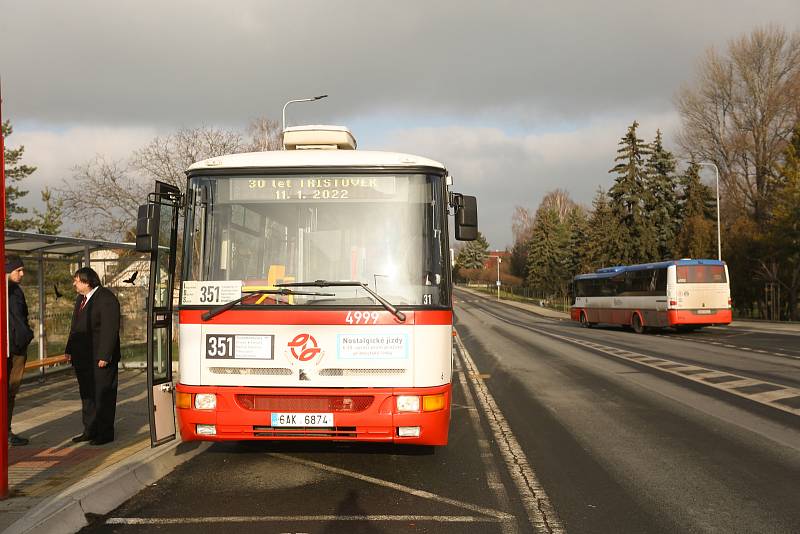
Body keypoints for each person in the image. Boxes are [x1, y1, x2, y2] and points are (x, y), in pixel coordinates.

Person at [65, 267, 121, 445]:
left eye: (77, 280)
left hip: (100, 359)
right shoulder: (80, 299)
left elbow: (110, 329)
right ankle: (90, 430)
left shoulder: (106, 298)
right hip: (83, 358)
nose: (74, 283)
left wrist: (105, 355)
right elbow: (75, 327)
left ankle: (104, 433)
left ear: (87, 281)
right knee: (87, 395)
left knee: (103, 395)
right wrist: (69, 349)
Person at [6, 255, 34, 446]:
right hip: (4, 349)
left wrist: (26, 335)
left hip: (17, 349)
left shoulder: (17, 290)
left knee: (11, 392)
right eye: (18, 270)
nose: (22, 274)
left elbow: (23, 315)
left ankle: (6, 431)